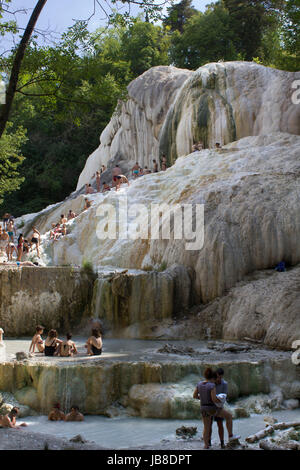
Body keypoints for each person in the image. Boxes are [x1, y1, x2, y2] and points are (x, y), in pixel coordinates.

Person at [193, 368, 239, 449]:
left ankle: (206, 445)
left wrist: (203, 398)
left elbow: (195, 396)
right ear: (212, 377)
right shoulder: (212, 385)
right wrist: (220, 399)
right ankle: (230, 436)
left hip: (203, 408)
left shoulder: (199, 384)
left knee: (206, 427)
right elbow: (214, 399)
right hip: (213, 409)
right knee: (229, 416)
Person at [209, 368, 228, 449]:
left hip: (219, 406)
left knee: (220, 424)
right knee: (209, 425)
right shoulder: (211, 383)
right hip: (210, 406)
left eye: (220, 377)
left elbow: (224, 397)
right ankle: (208, 441)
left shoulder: (224, 384)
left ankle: (222, 442)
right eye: (217, 377)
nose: (218, 379)